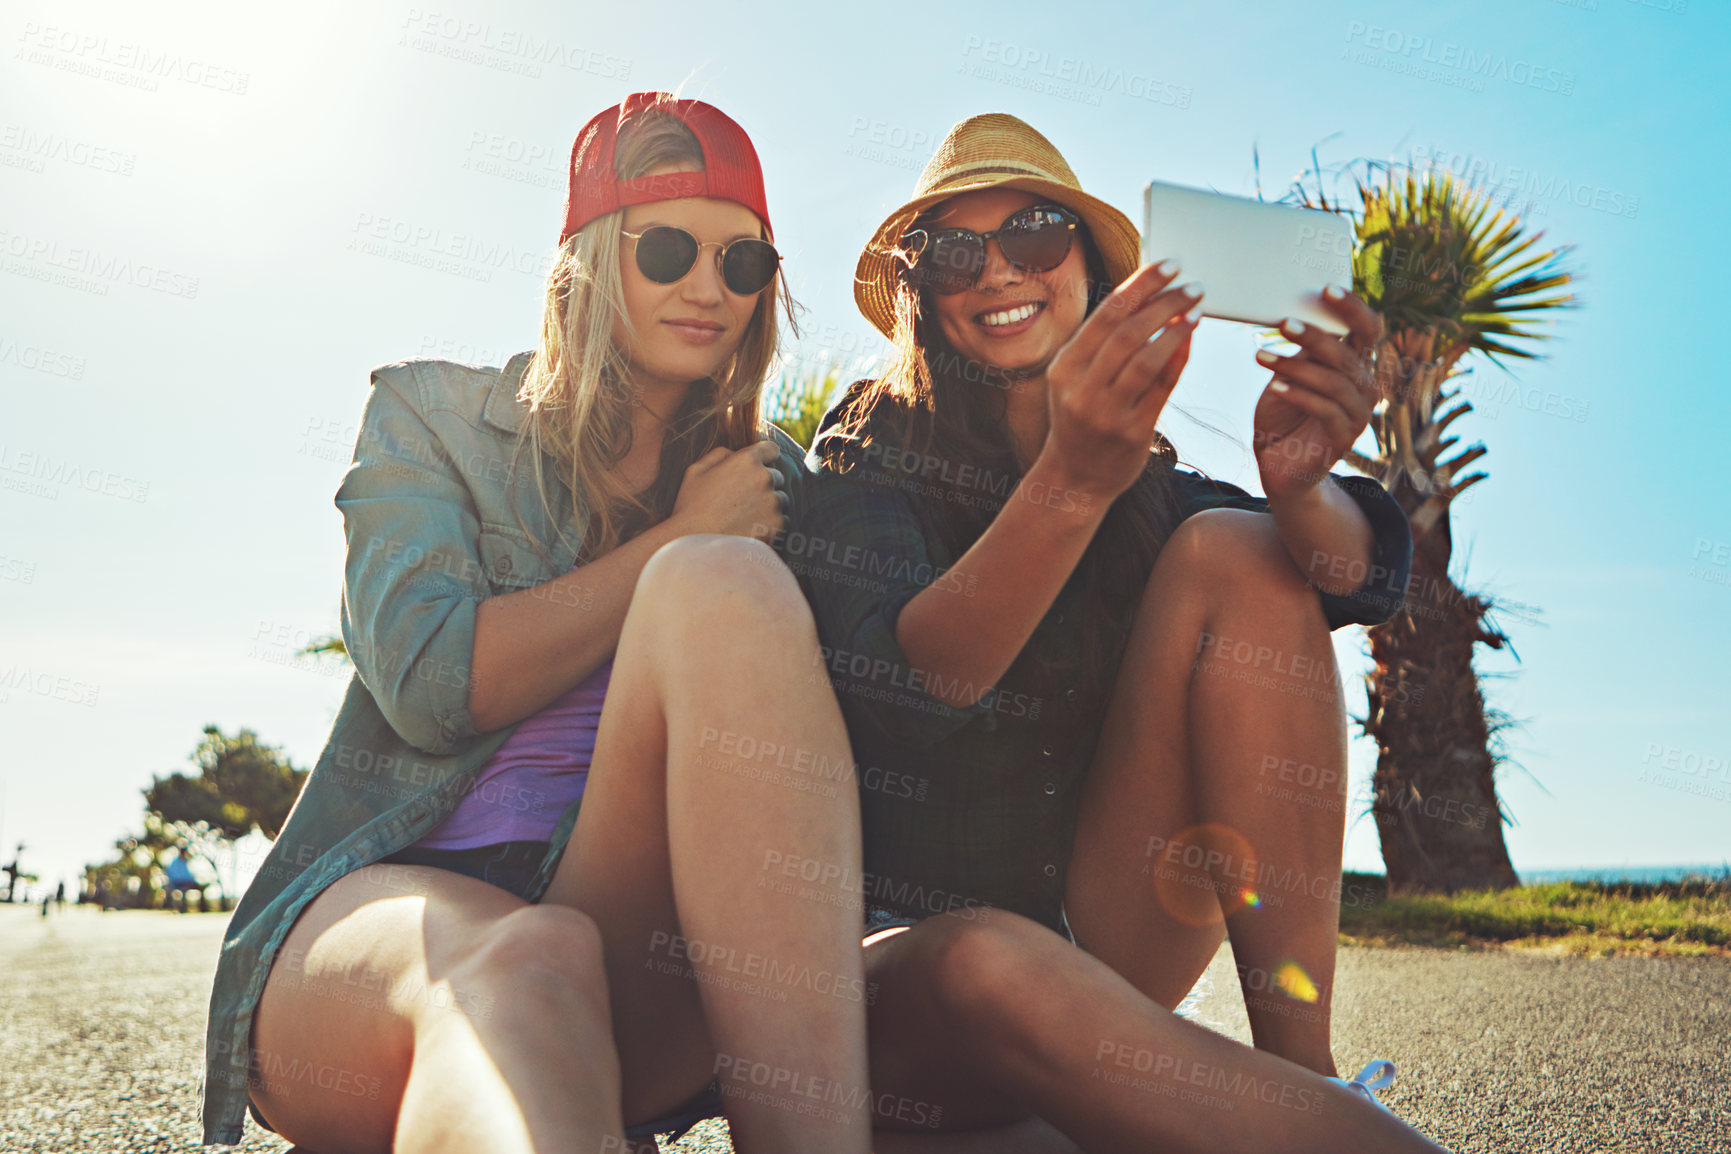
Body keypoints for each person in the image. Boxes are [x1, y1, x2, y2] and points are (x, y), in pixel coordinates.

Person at [199, 92, 877, 1154]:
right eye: (669, 250)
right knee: (524, 958)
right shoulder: (430, 416)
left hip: (631, 942)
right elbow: (430, 684)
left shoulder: (768, 480)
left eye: (743, 265)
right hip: (379, 933)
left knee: (724, 588)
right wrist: (675, 538)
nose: (711, 288)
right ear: (590, 260)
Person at [793, 112, 1453, 1152]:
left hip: (1105, 939)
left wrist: (1300, 485)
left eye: (1038, 232)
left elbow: (1349, 573)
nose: (998, 269)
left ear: (1093, 267)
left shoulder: (1148, 488)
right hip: (915, 984)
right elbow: (911, 683)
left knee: (1241, 549)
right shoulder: (865, 455)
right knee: (985, 962)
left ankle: (1305, 1080)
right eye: (956, 249)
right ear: (921, 290)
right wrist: (1068, 482)